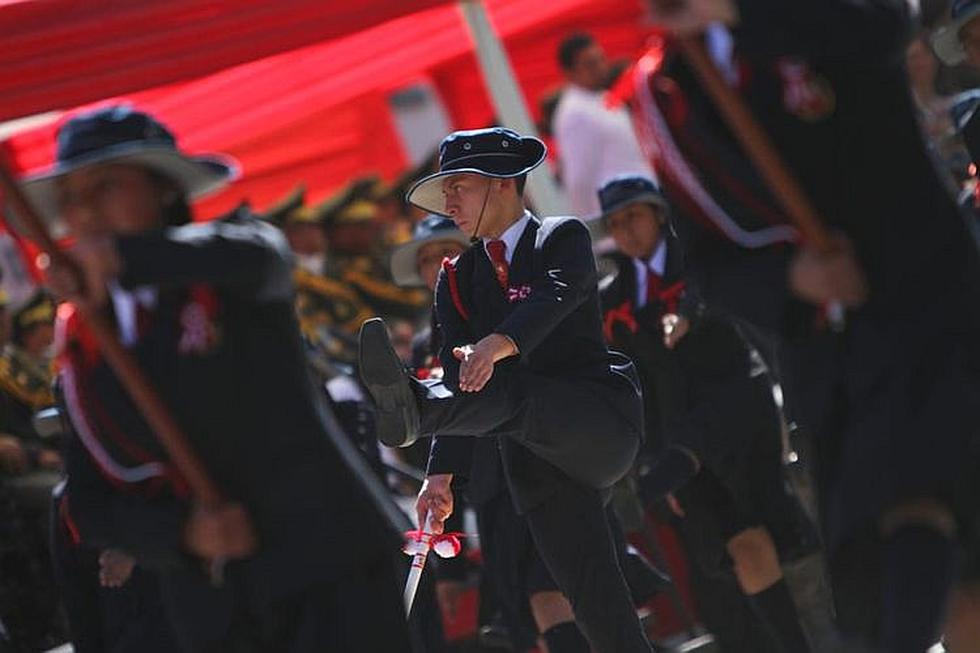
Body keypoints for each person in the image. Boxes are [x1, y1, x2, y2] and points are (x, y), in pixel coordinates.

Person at [642, 3, 980, 652]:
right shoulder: (669, 92)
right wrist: (795, 278)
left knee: (930, 510)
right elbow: (708, 266)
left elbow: (885, 27)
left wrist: (741, 15)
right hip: (829, 349)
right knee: (903, 555)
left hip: (929, 305)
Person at [20, 104, 410, 652]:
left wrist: (126, 258)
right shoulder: (86, 347)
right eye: (70, 199)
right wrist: (181, 534)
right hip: (214, 604)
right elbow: (87, 502)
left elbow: (259, 256)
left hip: (328, 570)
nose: (84, 212)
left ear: (161, 190)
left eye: (106, 186)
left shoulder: (227, 273)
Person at [359, 127, 653, 653]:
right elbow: (462, 383)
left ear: (501, 184)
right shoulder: (454, 280)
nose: (447, 201)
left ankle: (415, 409)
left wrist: (498, 344)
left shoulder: (560, 237)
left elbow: (558, 296)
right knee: (597, 604)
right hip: (534, 460)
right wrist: (440, 477)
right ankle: (416, 409)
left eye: (459, 186)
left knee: (510, 390)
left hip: (595, 420)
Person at [596, 175, 816, 652]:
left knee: (763, 515)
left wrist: (688, 314)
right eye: (615, 223)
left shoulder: (695, 259)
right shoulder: (613, 300)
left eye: (632, 215)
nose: (626, 230)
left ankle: (654, 485)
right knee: (741, 544)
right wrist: (657, 456)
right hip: (677, 430)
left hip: (736, 403)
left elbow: (713, 291)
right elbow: (641, 387)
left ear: (657, 213)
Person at [552, 32, 655, 217]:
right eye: (590, 64)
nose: (601, 67)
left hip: (645, 201)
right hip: (622, 215)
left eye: (601, 59)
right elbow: (579, 179)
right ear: (570, 73)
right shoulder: (573, 113)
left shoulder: (602, 98)